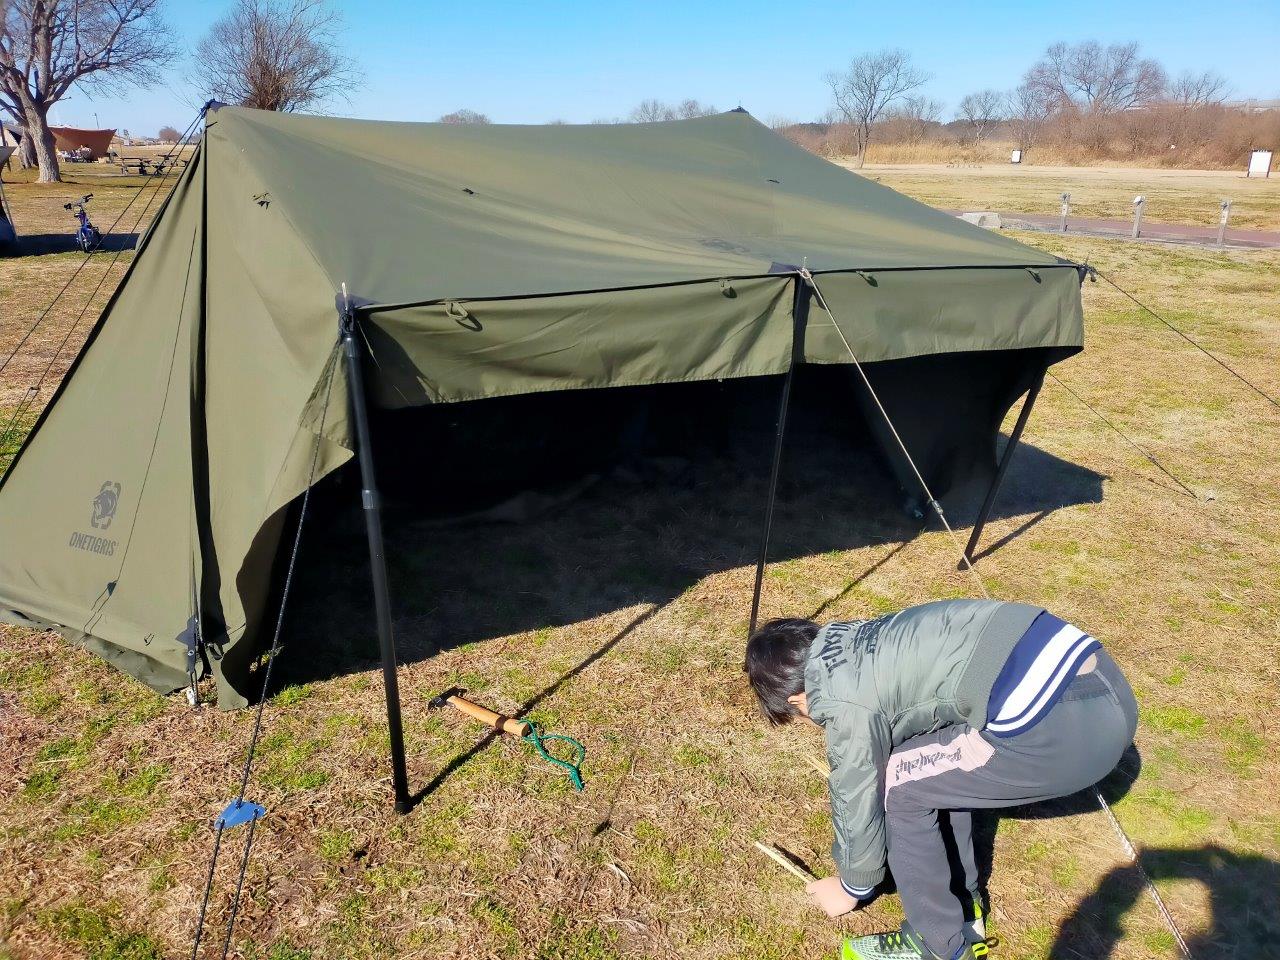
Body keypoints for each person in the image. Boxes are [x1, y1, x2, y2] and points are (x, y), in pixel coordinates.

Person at [744, 599, 1138, 960]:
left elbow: (858, 790)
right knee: (932, 763)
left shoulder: (840, 698)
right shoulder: (858, 636)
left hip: (1065, 733)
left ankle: (939, 944)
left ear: (795, 699)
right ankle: (962, 905)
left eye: (797, 716)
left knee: (901, 781)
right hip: (1105, 687)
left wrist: (852, 887)